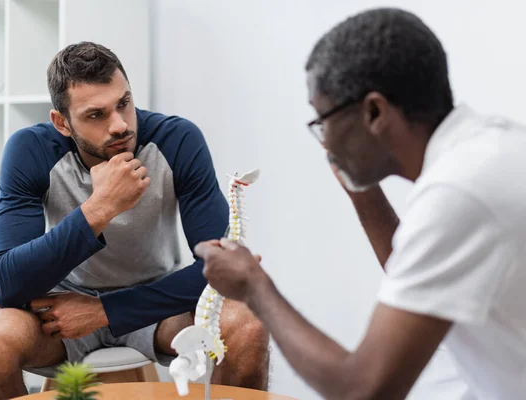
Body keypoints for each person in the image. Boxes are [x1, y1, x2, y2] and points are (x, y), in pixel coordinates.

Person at [195, 7, 526, 400]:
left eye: (323, 120)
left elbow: (364, 390)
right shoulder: (487, 148)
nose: (325, 141)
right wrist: (358, 186)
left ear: (374, 112)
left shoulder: (458, 193)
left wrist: (254, 287)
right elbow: (414, 270)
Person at [0, 41, 269, 400]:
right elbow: (6, 282)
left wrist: (105, 311)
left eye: (123, 103)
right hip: (60, 310)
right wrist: (100, 208)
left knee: (247, 322)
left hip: (156, 304)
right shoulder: (30, 150)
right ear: (62, 123)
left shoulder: (178, 140)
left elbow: (221, 272)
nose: (120, 126)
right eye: (96, 115)